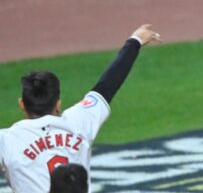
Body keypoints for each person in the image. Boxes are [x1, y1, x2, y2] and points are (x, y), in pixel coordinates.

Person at [0, 24, 161, 193]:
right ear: (58, 104)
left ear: (22, 105)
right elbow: (108, 85)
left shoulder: (6, 141)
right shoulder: (79, 121)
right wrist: (135, 41)